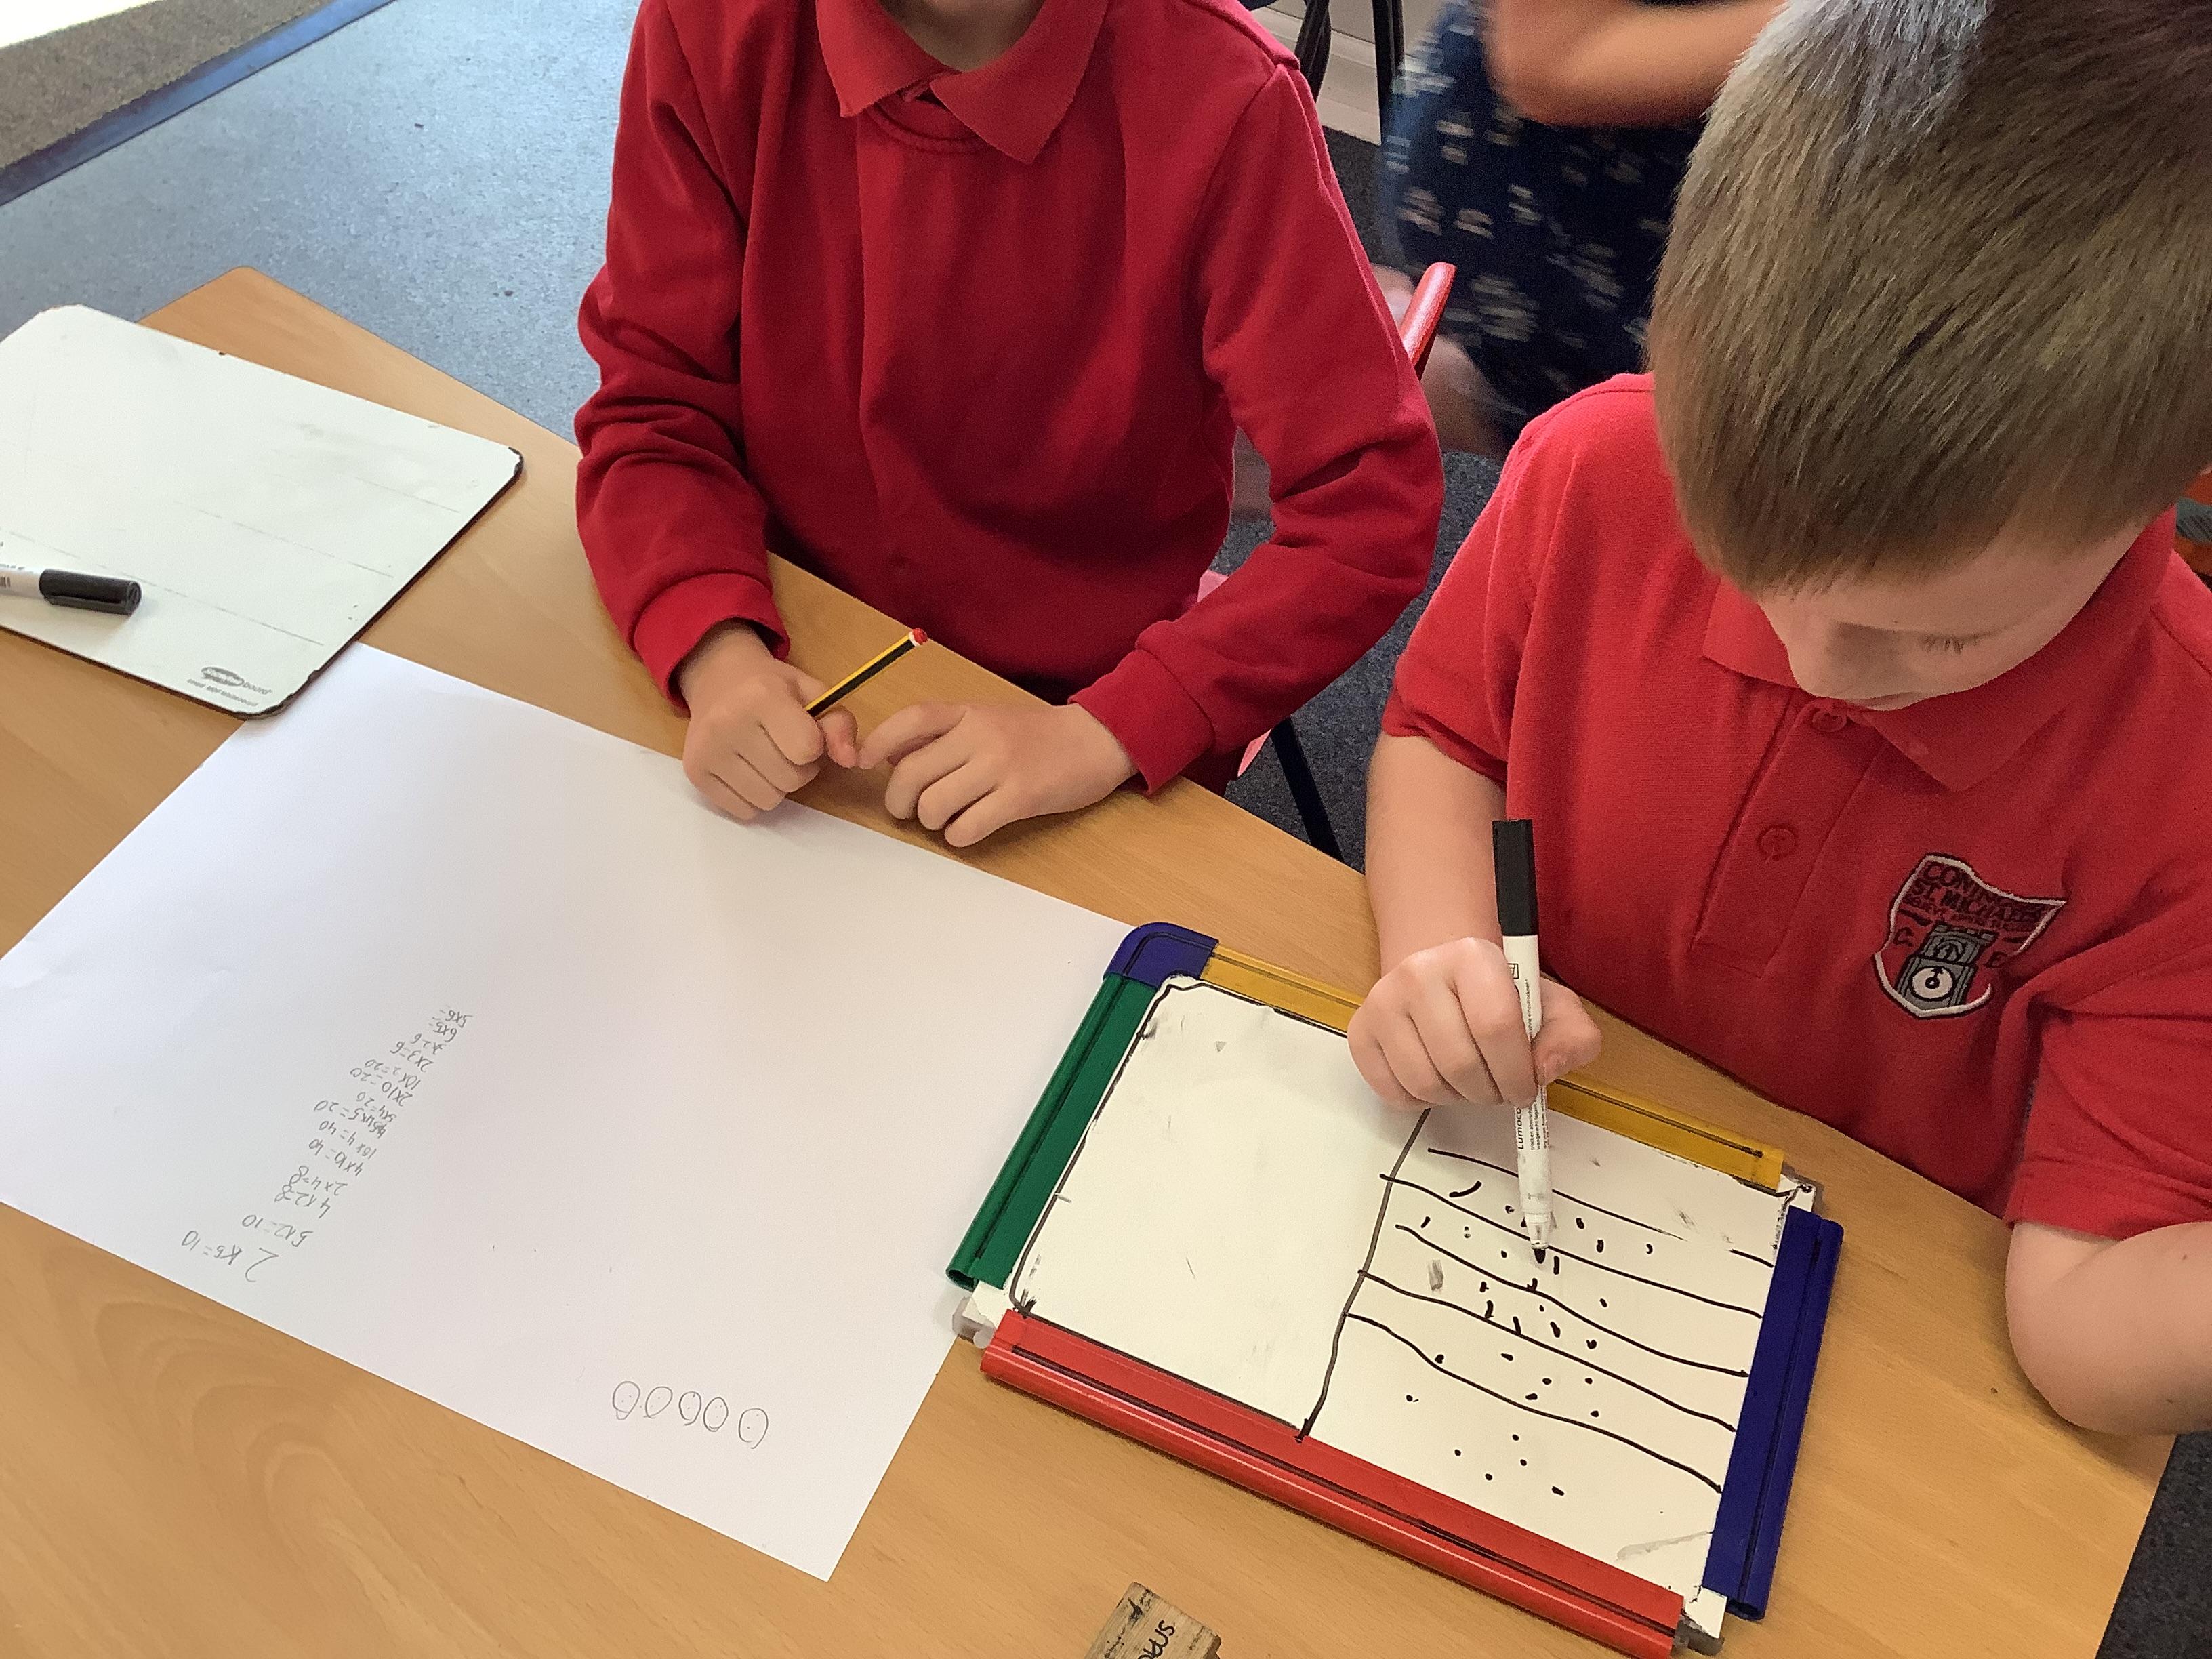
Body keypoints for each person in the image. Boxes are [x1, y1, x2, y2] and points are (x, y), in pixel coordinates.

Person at [1351, 0, 2212, 1434]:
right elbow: (1447, 740)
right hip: (1533, 1180)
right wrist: (1440, 946)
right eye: (1742, 564)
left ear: (2166, 484)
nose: (1817, 668)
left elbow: (2078, 1326)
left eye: (1935, 632)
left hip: (1836, 1336)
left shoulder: (2180, 776)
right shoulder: (1595, 465)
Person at [575, 0, 1441, 848]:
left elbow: (1371, 506)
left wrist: (1112, 726)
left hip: (1083, 708)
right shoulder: (708, 27)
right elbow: (653, 401)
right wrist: (713, 642)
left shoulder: (1223, 97)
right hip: (792, 640)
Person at [1380, 0, 1780, 456]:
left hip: (1653, 203)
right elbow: (1549, 61)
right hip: (1546, 194)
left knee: (1561, 423)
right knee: (1640, 441)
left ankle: (1382, 360)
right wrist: (1828, 24)